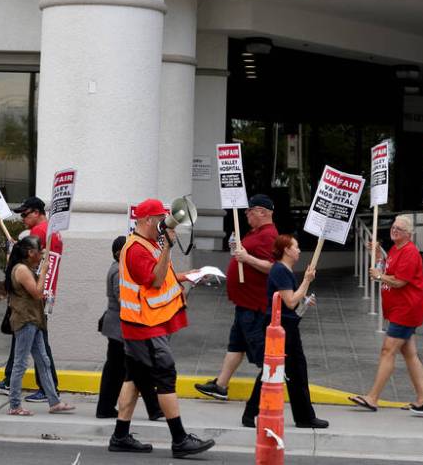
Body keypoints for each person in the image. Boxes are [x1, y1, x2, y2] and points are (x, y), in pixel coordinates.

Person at [110, 198, 214, 459]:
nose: (164, 223)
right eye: (159, 218)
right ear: (146, 220)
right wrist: (168, 244)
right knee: (165, 375)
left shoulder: (148, 244)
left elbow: (162, 275)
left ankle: (120, 436)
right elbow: (155, 281)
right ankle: (179, 440)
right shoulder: (135, 249)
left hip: (144, 324)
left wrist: (188, 275)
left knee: (133, 380)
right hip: (144, 326)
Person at [194, 194, 279, 408]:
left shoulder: (269, 235)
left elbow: (272, 266)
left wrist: (247, 258)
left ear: (262, 212)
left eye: (249, 210)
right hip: (245, 303)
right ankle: (221, 385)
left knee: (259, 349)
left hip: (254, 305)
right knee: (236, 345)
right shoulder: (257, 233)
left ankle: (276, 380)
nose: (246, 214)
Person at [351, 213, 423, 415]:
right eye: (393, 227)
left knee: (388, 350)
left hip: (406, 309)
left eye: (399, 229)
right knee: (409, 354)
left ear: (409, 234)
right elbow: (388, 267)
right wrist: (379, 255)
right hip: (400, 309)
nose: (394, 230)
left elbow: (400, 281)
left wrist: (380, 276)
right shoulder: (397, 249)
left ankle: (373, 397)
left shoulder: (410, 253)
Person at [242, 233, 326, 428]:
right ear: (287, 250)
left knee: (280, 371)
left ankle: (252, 412)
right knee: (289, 371)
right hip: (282, 328)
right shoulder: (280, 270)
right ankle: (304, 417)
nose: (298, 250)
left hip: (285, 326)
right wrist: (307, 280)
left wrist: (304, 300)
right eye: (295, 247)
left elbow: (292, 300)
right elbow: (289, 302)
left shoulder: (284, 270)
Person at [0, 196, 58, 401]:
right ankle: (13, 379)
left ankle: (47, 388)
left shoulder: (38, 232)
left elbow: (30, 263)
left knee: (35, 340)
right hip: (42, 289)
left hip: (31, 293)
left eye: (25, 214)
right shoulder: (52, 230)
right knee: (27, 336)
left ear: (37, 212)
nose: (22, 218)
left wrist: (15, 252)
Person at [5, 235, 74, 416]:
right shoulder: (21, 270)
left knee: (43, 360)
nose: (42, 252)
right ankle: (14, 405)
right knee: (20, 363)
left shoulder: (26, 267)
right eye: (39, 250)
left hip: (34, 320)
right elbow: (36, 292)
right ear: (30, 253)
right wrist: (44, 271)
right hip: (26, 320)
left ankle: (54, 402)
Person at [97, 236, 162, 422]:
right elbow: (123, 300)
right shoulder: (119, 271)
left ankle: (106, 407)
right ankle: (153, 408)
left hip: (121, 328)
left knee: (124, 369)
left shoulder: (122, 268)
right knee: (134, 368)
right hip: (120, 328)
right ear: (119, 253)